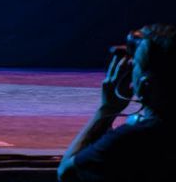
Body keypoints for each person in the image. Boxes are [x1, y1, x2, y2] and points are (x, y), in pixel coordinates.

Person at [58, 23, 176, 181]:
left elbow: (66, 173)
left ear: (144, 86)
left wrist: (107, 109)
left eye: (135, 65)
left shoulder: (132, 140)